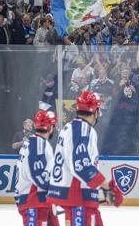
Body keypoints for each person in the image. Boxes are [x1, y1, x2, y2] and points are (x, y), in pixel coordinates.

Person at [48, 91, 124, 225]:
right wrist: (106, 187)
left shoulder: (69, 127)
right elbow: (80, 165)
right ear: (96, 111)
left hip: (70, 195)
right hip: (78, 198)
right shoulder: (83, 129)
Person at [15, 110, 59, 226]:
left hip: (39, 200)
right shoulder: (38, 144)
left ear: (35, 125)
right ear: (50, 127)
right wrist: (58, 190)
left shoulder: (34, 142)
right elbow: (38, 176)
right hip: (34, 201)